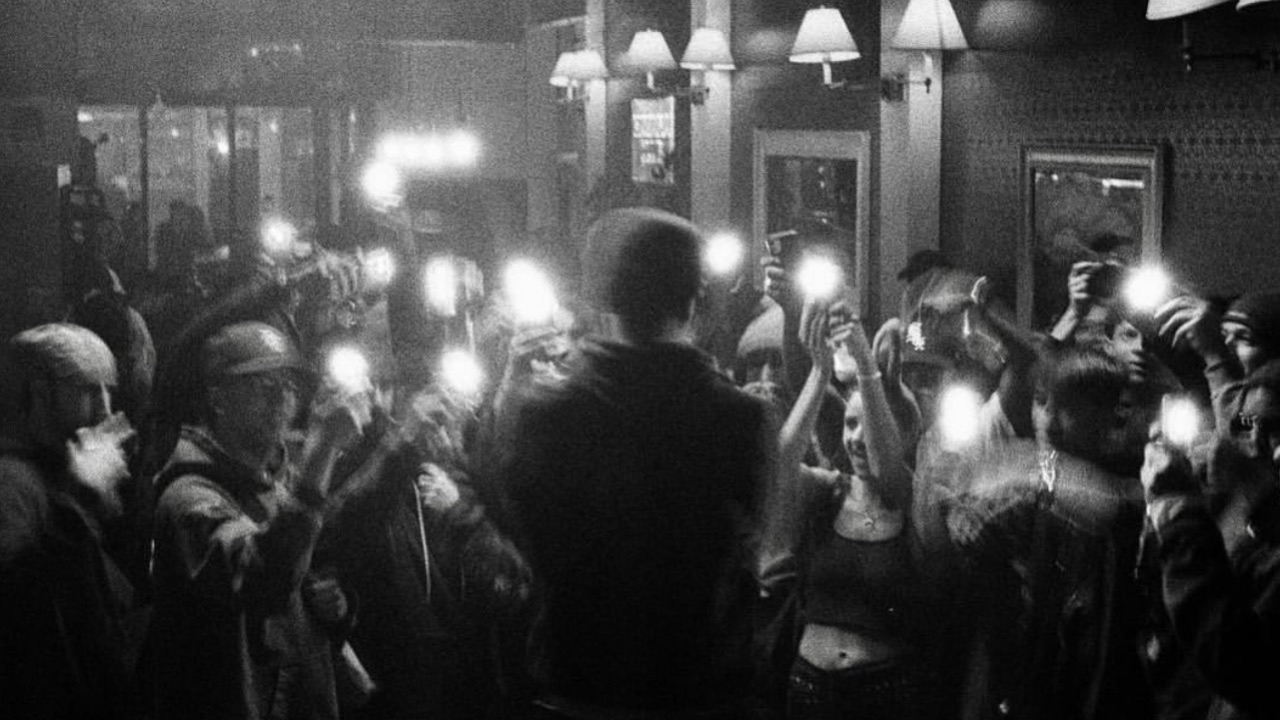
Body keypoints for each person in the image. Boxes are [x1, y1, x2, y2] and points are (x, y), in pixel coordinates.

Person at [501, 208, 774, 719]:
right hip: (698, 693)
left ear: (604, 300)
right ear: (693, 301)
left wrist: (515, 396)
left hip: (582, 691)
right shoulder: (740, 417)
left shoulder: (550, 414)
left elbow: (524, 535)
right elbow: (750, 550)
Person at [147, 321, 368, 720]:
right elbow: (261, 578)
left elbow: (314, 557)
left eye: (288, 384)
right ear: (217, 397)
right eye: (263, 384)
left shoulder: (272, 484)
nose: (281, 397)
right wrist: (323, 449)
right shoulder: (189, 501)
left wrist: (333, 605)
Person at [762, 295, 939, 720]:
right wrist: (819, 371)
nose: (856, 438)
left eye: (868, 423)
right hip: (809, 687)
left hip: (881, 693)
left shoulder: (914, 499)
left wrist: (865, 365)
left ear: (905, 435)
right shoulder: (830, 491)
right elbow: (780, 466)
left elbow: (884, 465)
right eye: (849, 423)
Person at [0, 323, 138, 719]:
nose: (106, 411)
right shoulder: (11, 483)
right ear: (40, 395)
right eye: (90, 391)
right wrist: (79, 500)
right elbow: (22, 612)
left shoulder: (56, 473)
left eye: (109, 392)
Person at [1139, 365, 1280, 720]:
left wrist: (1179, 512)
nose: (1257, 443)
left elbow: (1243, 666)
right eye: (1248, 425)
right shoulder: (1240, 512)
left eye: (1276, 428)